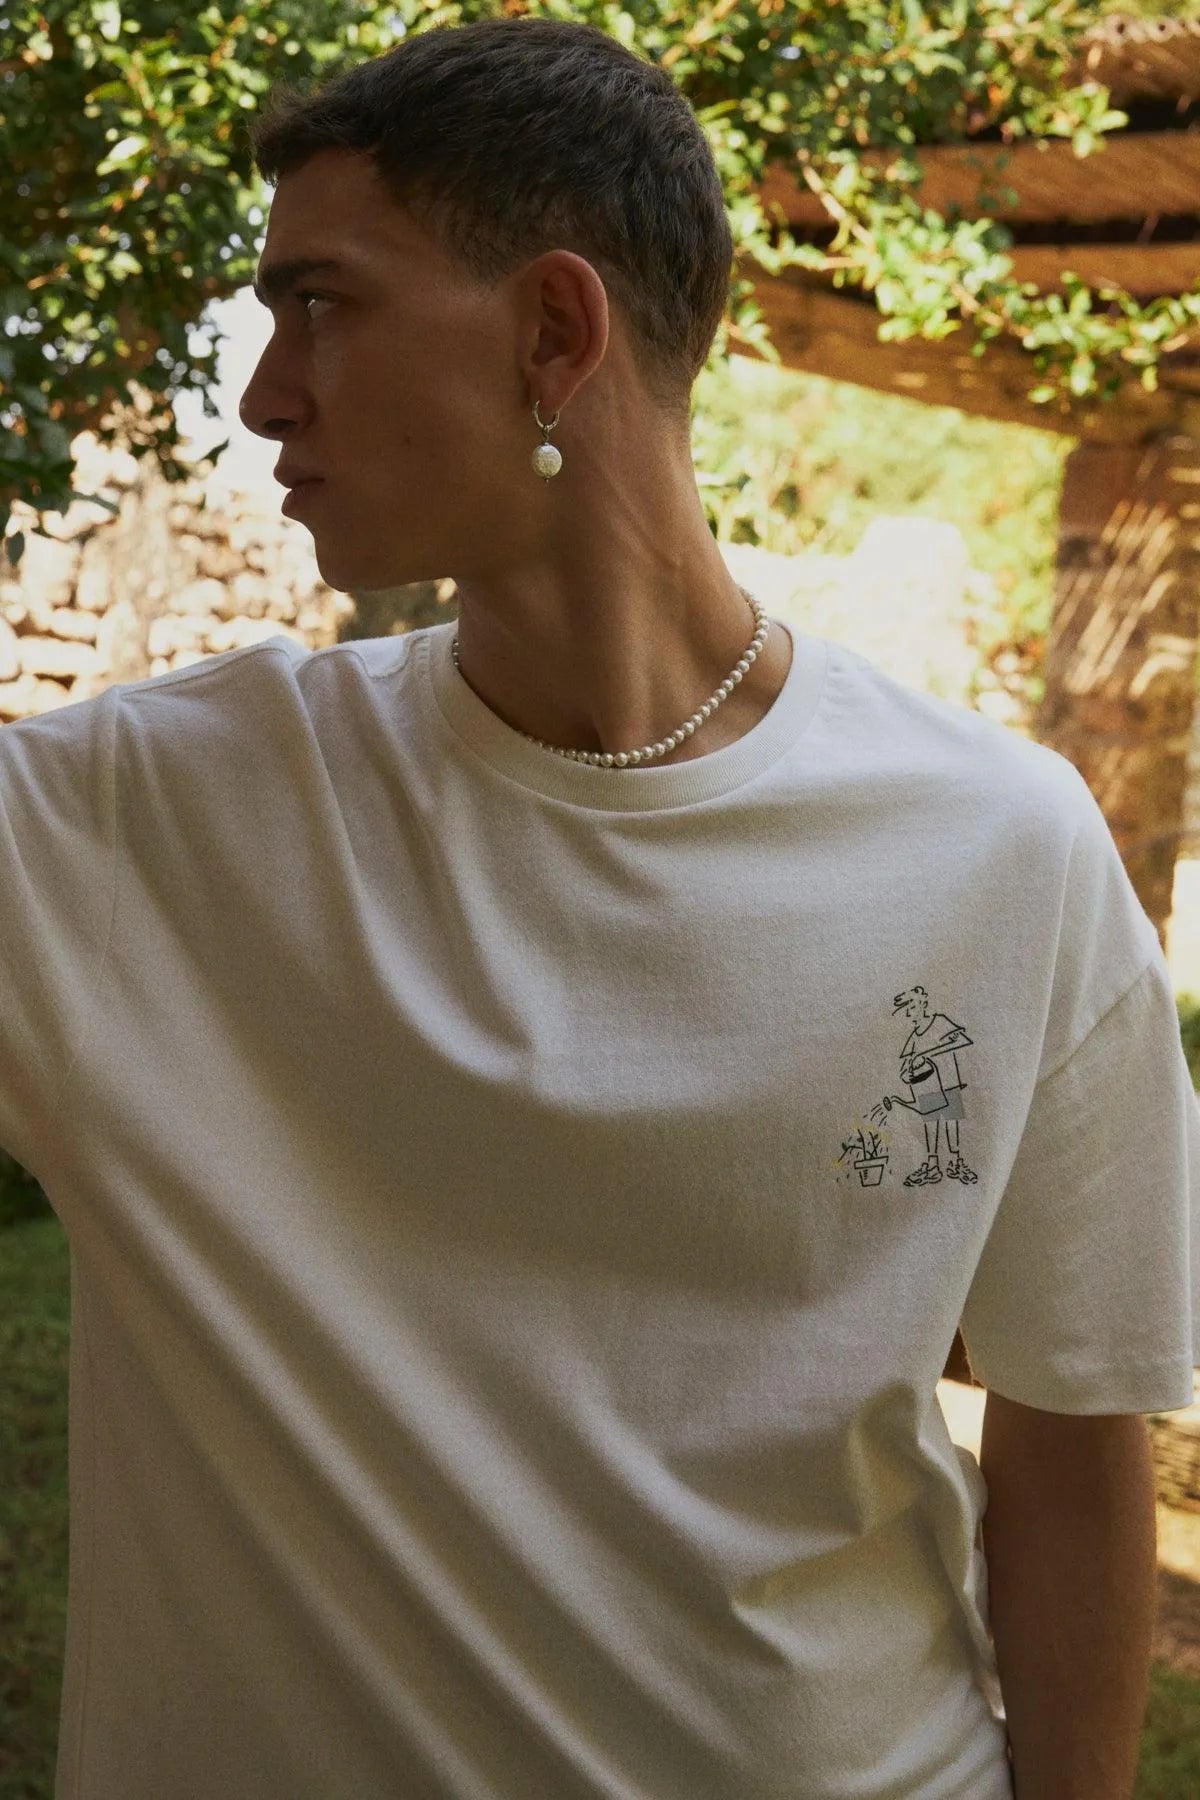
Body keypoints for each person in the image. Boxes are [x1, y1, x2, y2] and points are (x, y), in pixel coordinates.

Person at [4, 17, 1196, 1800]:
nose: (262, 394)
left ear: (555, 334)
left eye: (320, 303)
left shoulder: (1000, 847)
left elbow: (1073, 1439)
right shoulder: (128, 832)